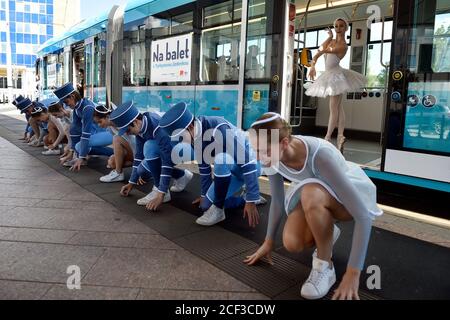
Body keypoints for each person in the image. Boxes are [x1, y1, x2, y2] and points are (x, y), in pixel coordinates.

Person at [245, 112, 382, 300]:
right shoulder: (270, 157)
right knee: (292, 243)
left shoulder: (320, 155)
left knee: (310, 191)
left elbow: (364, 217)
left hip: (346, 198)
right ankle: (327, 232)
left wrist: (353, 273)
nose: (260, 158)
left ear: (284, 143)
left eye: (265, 151)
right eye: (256, 150)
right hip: (314, 196)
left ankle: (325, 266)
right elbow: (276, 200)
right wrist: (268, 242)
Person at [159, 102, 266, 227]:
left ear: (190, 127)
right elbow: (204, 168)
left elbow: (247, 162)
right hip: (230, 168)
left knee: (221, 159)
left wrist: (251, 198)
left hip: (252, 166)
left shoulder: (219, 127)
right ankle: (243, 200)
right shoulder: (195, 136)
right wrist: (204, 195)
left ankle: (220, 210)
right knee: (205, 206)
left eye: (181, 137)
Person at [109, 101, 193, 211]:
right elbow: (138, 156)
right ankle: (181, 175)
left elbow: (166, 161)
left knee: (149, 147)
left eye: (128, 130)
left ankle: (161, 189)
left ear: (135, 122)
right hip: (169, 148)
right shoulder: (141, 126)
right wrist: (131, 183)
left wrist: (161, 193)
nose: (128, 134)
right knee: (141, 170)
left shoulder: (158, 127)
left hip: (186, 150)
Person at [305, 18, 367, 153]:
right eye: (336, 26)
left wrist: (324, 48)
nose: (338, 28)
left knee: (333, 108)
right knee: (338, 107)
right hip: (329, 74)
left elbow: (322, 51)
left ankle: (327, 138)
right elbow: (319, 52)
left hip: (336, 76)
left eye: (341, 26)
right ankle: (340, 136)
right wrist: (312, 66)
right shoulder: (332, 41)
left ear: (345, 29)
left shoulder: (343, 45)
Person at [53, 82, 113, 171]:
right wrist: (71, 153)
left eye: (66, 102)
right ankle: (83, 156)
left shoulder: (87, 107)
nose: (66, 105)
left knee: (80, 146)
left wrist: (80, 157)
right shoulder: (78, 107)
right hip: (98, 132)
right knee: (76, 139)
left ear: (72, 97)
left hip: (109, 133)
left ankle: (115, 153)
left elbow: (86, 134)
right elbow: (74, 130)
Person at [93, 104, 135, 183]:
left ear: (107, 117)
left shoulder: (121, 122)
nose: (99, 125)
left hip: (138, 151)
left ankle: (119, 173)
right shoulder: (110, 128)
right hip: (131, 151)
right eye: (97, 123)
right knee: (112, 162)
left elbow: (132, 140)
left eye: (100, 121)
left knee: (116, 138)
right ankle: (138, 167)